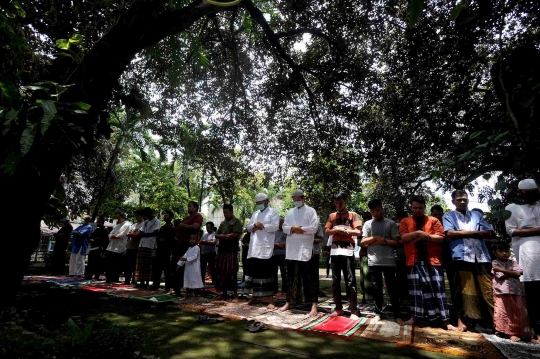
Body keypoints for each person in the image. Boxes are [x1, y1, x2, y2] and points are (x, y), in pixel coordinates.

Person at [398, 196, 456, 331]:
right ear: (411, 208)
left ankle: (444, 320)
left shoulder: (434, 220)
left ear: (424, 207)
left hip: (433, 261)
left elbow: (441, 238)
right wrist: (419, 233)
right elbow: (403, 237)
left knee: (438, 290)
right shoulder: (405, 221)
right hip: (413, 261)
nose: (417, 210)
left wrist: (426, 236)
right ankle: (416, 317)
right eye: (415, 207)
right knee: (416, 291)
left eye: (420, 207)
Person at [443, 189, 495, 332]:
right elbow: (449, 233)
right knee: (462, 290)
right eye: (459, 199)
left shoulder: (476, 215)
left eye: (464, 199)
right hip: (461, 257)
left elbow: (489, 232)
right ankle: (464, 321)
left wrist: (462, 233)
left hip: (481, 257)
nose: (462, 202)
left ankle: (493, 322)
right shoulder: (449, 216)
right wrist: (476, 232)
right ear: (453, 201)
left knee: (487, 290)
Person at [505, 178, 540, 340]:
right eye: (529, 193)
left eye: (535, 192)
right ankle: (534, 328)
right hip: (528, 256)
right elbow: (512, 231)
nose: (533, 195)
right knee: (532, 294)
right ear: (520, 193)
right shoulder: (511, 208)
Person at [279, 189, 319, 317]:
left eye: (298, 199)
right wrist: (292, 228)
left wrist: (300, 229)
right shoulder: (289, 212)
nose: (296, 201)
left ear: (303, 198)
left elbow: (314, 228)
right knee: (291, 277)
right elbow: (284, 227)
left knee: (309, 278)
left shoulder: (311, 211)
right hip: (291, 250)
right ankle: (289, 302)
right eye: (294, 199)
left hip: (305, 248)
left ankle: (313, 305)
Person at [361, 199, 401, 321]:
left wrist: (382, 241)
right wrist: (375, 237)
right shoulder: (368, 224)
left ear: (382, 209)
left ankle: (397, 314)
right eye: (373, 211)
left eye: (377, 210)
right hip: (373, 261)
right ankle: (378, 313)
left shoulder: (391, 223)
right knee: (376, 289)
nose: (376, 213)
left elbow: (396, 242)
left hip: (389, 261)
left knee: (392, 288)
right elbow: (363, 242)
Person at [325, 191, 362, 319]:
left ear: (345, 201)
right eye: (336, 203)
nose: (338, 205)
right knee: (335, 281)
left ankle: (353, 310)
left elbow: (358, 232)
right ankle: (338, 308)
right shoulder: (332, 216)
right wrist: (336, 230)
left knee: (350, 280)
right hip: (335, 251)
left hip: (348, 251)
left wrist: (345, 231)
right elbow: (327, 232)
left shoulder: (353, 215)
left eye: (340, 203)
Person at [491, 241, 534, 342]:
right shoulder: (495, 263)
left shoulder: (513, 262)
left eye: (506, 250)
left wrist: (502, 270)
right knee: (504, 312)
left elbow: (518, 273)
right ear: (495, 252)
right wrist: (512, 273)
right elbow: (500, 276)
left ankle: (522, 332)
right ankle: (508, 332)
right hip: (502, 292)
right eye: (501, 251)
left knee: (520, 311)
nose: (505, 253)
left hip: (517, 291)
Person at [245, 193, 280, 308]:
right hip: (254, 248)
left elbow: (275, 227)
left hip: (265, 248)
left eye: (261, 203)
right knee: (254, 274)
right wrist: (254, 225)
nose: (259, 205)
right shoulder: (255, 214)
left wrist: (262, 226)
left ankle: (270, 300)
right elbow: (248, 228)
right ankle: (254, 297)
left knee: (266, 274)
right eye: (257, 203)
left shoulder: (273, 212)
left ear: (266, 201)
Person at [173, 201, 203, 295]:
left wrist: (184, 226)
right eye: (188, 206)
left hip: (188, 244)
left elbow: (195, 226)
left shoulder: (197, 216)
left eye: (190, 206)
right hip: (180, 244)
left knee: (189, 268)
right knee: (177, 265)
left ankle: (190, 290)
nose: (188, 208)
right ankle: (177, 288)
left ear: (195, 208)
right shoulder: (186, 218)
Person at [215, 204, 243, 301]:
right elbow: (216, 234)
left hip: (231, 250)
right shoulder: (223, 223)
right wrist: (224, 236)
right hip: (222, 250)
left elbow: (234, 235)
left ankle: (235, 294)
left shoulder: (237, 221)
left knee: (232, 271)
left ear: (231, 212)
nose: (225, 214)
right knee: (222, 271)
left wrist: (224, 236)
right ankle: (224, 293)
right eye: (224, 213)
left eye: (226, 212)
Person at [135, 207, 160, 288]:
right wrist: (146, 234)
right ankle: (141, 281)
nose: (145, 216)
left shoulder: (157, 221)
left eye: (145, 215)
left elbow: (155, 232)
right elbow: (141, 232)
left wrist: (145, 234)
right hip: (142, 244)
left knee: (148, 264)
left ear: (149, 214)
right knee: (140, 264)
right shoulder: (145, 222)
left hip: (150, 245)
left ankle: (147, 282)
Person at [152, 210, 176, 291]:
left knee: (167, 269)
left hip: (168, 250)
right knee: (157, 268)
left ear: (171, 217)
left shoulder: (173, 228)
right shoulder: (162, 227)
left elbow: (173, 240)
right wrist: (161, 240)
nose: (165, 217)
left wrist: (165, 240)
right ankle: (155, 285)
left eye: (167, 215)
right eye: (164, 215)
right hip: (160, 250)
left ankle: (167, 286)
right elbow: (158, 238)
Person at [106, 211, 131, 283]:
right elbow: (110, 234)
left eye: (119, 217)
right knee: (109, 264)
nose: (117, 218)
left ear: (122, 217)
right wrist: (113, 236)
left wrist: (115, 236)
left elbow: (122, 235)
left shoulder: (127, 224)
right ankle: (109, 278)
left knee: (117, 264)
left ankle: (115, 278)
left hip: (119, 247)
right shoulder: (116, 225)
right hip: (111, 246)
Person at [177, 232, 204, 300]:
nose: (191, 240)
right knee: (187, 281)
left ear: (197, 240)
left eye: (193, 239)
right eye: (190, 239)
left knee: (195, 282)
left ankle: (196, 296)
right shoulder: (189, 248)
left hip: (194, 268)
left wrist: (186, 259)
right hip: (188, 268)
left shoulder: (197, 248)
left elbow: (194, 257)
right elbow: (184, 256)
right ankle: (186, 296)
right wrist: (179, 264)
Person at [86, 216, 109, 280]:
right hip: (93, 248)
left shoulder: (105, 230)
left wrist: (96, 240)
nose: (97, 223)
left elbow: (105, 240)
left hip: (99, 249)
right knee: (90, 263)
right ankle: (89, 276)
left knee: (97, 264)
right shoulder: (96, 229)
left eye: (98, 222)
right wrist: (92, 240)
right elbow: (91, 237)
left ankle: (97, 276)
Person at [124, 210, 144, 285]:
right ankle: (127, 280)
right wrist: (132, 234)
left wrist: (132, 234)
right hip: (130, 246)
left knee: (135, 265)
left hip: (137, 247)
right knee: (127, 264)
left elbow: (138, 235)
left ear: (142, 216)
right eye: (136, 215)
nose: (136, 217)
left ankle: (134, 280)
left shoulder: (144, 224)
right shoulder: (134, 224)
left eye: (138, 215)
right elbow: (128, 233)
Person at [395, 210, 409, 307]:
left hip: (408, 258)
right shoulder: (396, 227)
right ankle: (400, 300)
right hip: (398, 258)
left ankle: (407, 300)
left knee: (408, 280)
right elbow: (395, 241)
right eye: (401, 218)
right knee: (399, 280)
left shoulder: (409, 227)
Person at [358, 211, 373, 303]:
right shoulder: (362, 228)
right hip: (364, 255)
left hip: (374, 255)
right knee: (364, 276)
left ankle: (372, 297)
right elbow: (359, 242)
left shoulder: (374, 226)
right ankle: (365, 297)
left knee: (371, 276)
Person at [200, 222, 217, 286]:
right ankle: (201, 280)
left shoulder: (214, 234)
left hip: (211, 253)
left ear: (212, 227)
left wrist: (205, 241)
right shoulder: (205, 234)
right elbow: (201, 241)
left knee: (212, 268)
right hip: (203, 253)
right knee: (202, 268)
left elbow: (214, 242)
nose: (207, 228)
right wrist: (201, 242)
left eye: (208, 227)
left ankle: (214, 281)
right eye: (206, 227)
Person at [273, 217, 287, 293]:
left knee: (284, 272)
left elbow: (289, 241)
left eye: (282, 223)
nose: (281, 225)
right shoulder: (274, 231)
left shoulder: (286, 232)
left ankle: (284, 289)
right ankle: (275, 289)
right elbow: (269, 240)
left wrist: (284, 244)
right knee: (274, 272)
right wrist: (275, 244)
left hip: (283, 254)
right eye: (280, 223)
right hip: (275, 253)